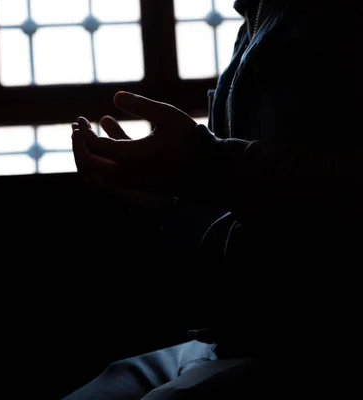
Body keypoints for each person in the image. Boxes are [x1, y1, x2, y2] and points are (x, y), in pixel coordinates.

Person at [65, 0, 363, 398]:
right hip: (232, 338)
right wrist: (167, 201)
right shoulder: (255, 20)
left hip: (317, 343)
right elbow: (242, 210)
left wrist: (205, 165)